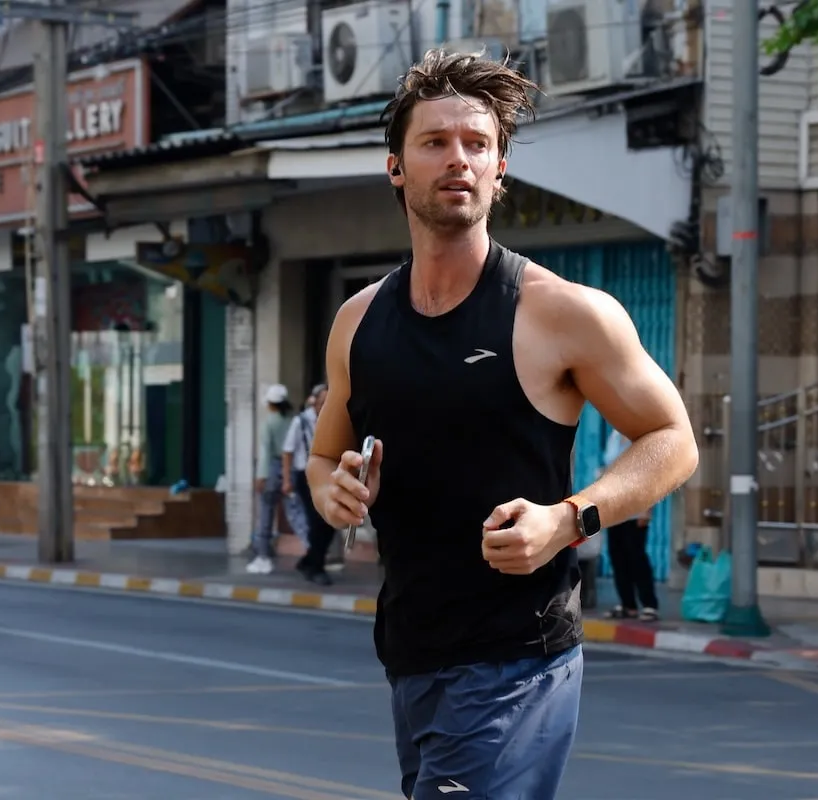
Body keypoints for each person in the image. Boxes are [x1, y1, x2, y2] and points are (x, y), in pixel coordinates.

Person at [305, 49, 699, 800]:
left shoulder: (561, 313)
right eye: (436, 142)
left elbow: (672, 440)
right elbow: (324, 459)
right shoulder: (358, 322)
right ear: (396, 167)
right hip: (411, 650)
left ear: (499, 170)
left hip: (518, 659)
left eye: (477, 145)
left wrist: (568, 519)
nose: (459, 159)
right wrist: (335, 492)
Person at [601, 428, 661, 621]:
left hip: (636, 508)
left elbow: (652, 476)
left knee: (636, 556)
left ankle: (649, 604)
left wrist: (647, 509)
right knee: (617, 556)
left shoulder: (641, 436)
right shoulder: (613, 436)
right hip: (614, 508)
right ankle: (628, 605)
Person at [248, 383, 306, 575]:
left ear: (270, 404)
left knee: (266, 513)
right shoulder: (293, 419)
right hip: (292, 469)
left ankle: (263, 557)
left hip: (273, 469)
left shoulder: (269, 423)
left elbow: (265, 451)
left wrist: (261, 476)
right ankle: (314, 549)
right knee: (296, 512)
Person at [284, 383, 336, 585]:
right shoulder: (301, 422)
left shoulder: (333, 421)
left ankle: (308, 561)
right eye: (323, 402)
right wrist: (287, 479)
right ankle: (316, 567)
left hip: (327, 475)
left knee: (331, 522)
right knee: (317, 522)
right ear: (314, 402)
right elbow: (287, 451)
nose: (326, 406)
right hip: (304, 476)